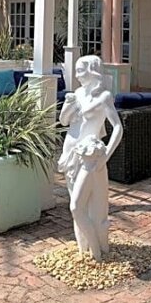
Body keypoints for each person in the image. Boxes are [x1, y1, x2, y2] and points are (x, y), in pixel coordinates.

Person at [58, 55, 123, 262]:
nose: (77, 75)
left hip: (89, 156)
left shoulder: (104, 97)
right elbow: (63, 121)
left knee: (83, 205)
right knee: (76, 203)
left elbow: (118, 127)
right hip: (70, 151)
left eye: (80, 70)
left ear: (93, 71)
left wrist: (106, 154)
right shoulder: (77, 94)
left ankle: (97, 248)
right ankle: (83, 250)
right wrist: (68, 105)